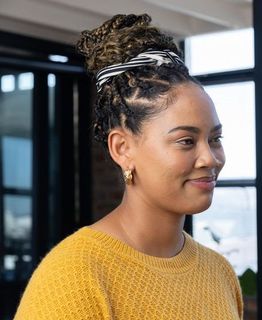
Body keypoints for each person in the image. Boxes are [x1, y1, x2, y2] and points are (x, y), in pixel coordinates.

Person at [14, 13, 244, 319]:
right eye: (186, 141)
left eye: (215, 139)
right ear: (122, 148)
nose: (210, 158)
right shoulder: (74, 275)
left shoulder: (219, 273)